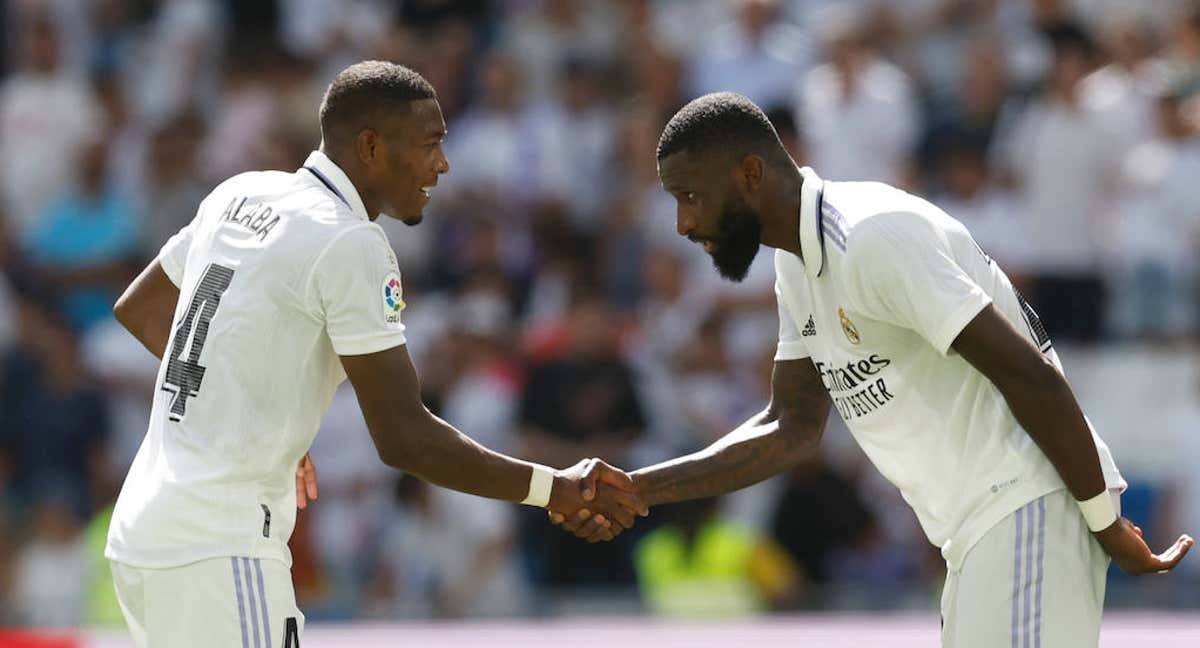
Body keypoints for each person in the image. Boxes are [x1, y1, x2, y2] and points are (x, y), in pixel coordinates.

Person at [552, 92, 1193, 647]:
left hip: (1025, 508)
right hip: (975, 538)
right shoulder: (797, 263)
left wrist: (1106, 522)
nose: (683, 223)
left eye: (691, 196)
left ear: (749, 173)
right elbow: (790, 428)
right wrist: (639, 488)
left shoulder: (871, 236)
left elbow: (1031, 375)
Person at [103, 61, 645, 648]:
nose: (443, 164)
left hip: (143, 535)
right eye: (430, 144)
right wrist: (553, 488)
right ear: (370, 147)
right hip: (219, 544)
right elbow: (405, 437)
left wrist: (250, 415)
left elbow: (142, 308)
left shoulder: (240, 192)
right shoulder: (351, 241)